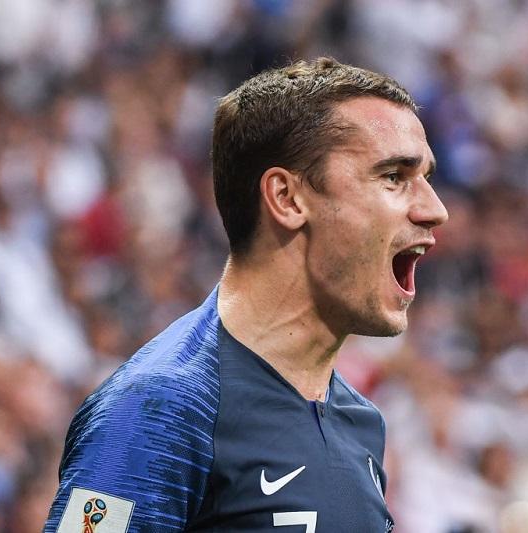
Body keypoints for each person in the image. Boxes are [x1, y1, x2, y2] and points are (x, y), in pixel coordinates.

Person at [44, 57, 448, 533]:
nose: (434, 210)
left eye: (426, 179)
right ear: (287, 198)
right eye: (394, 176)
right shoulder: (161, 406)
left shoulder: (361, 423)